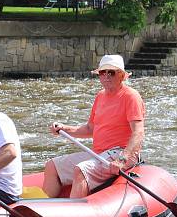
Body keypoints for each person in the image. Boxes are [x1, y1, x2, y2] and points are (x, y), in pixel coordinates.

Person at [43, 54, 145, 199]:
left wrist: (123, 158)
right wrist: (64, 128)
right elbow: (90, 129)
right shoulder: (100, 96)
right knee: (51, 166)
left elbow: (138, 132)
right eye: (103, 72)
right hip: (100, 153)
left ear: (122, 75)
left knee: (81, 170)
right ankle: (41, 213)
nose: (106, 76)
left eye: (111, 72)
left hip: (121, 152)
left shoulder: (131, 96)